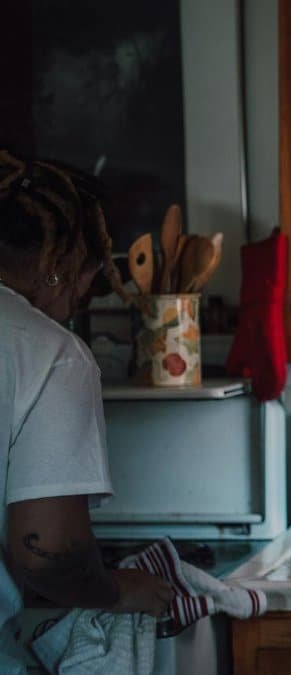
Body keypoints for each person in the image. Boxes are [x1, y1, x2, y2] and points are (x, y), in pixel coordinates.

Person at [0, 150, 173, 672]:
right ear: (58, 265)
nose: (86, 299)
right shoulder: (47, 349)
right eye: (91, 278)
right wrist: (119, 590)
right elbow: (46, 546)